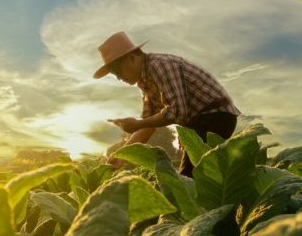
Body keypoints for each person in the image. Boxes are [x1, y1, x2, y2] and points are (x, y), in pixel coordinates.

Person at [95, 31, 241, 177]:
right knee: (199, 177)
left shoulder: (159, 66)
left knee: (189, 179)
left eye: (118, 72)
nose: (119, 79)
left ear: (131, 58)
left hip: (215, 116)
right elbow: (148, 124)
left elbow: (176, 112)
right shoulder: (145, 82)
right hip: (197, 124)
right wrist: (121, 155)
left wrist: (137, 124)